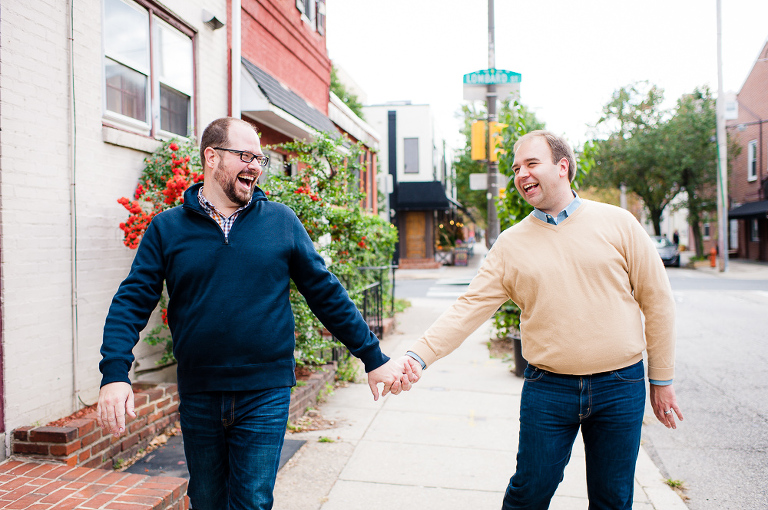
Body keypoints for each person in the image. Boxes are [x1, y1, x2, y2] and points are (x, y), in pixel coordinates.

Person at [97, 117, 418, 510]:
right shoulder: (168, 229)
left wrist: (373, 357)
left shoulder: (281, 222)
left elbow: (325, 292)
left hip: (265, 391)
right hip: (200, 392)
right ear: (211, 157)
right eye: (245, 155)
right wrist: (115, 373)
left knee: (251, 501)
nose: (254, 166)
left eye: (260, 159)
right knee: (207, 500)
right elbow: (132, 299)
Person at [403, 130, 683, 510]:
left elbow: (658, 301)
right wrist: (418, 356)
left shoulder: (619, 223)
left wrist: (661, 379)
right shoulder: (511, 244)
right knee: (529, 493)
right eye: (517, 168)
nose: (521, 174)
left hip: (620, 385)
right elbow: (468, 307)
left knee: (613, 499)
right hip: (548, 389)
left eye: (531, 164)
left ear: (562, 166)